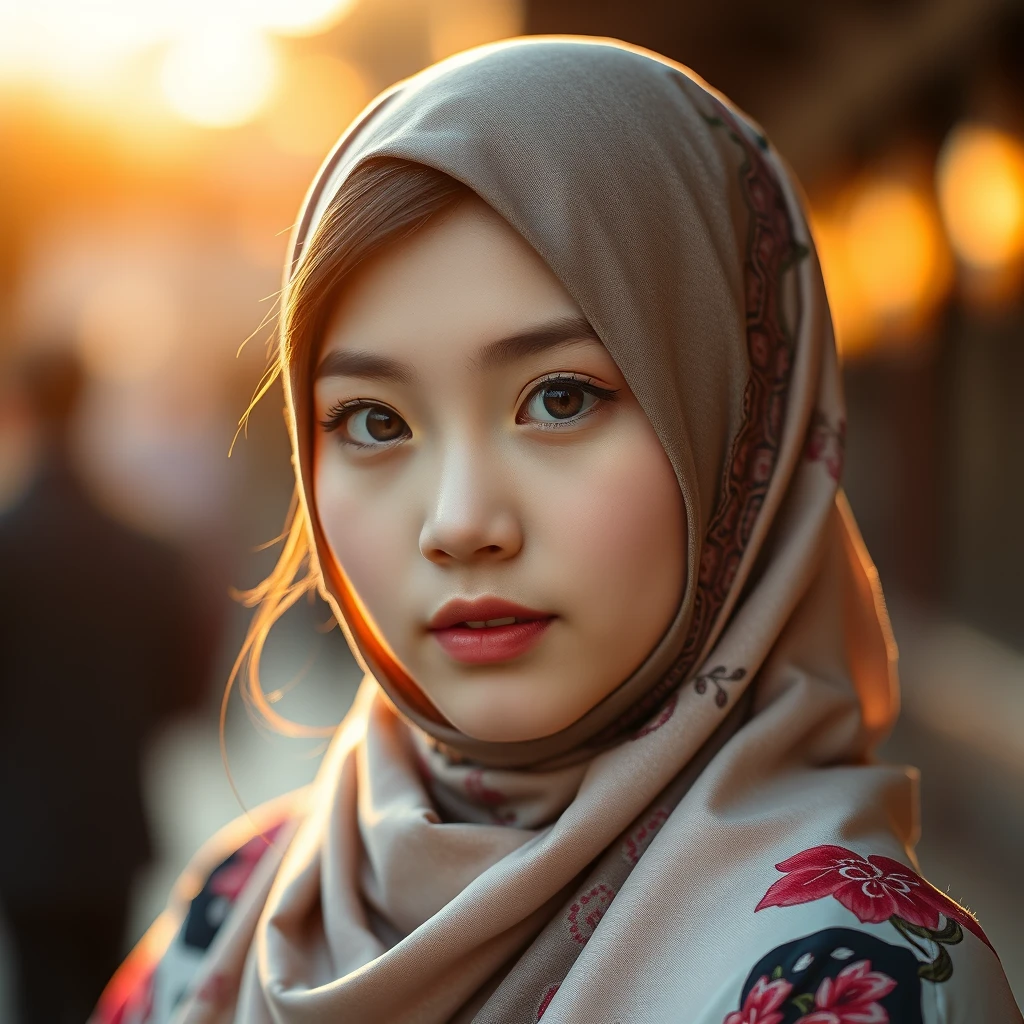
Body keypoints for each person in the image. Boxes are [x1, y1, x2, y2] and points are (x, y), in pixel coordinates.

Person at [92, 37, 1022, 1024]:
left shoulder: (854, 979)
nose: (458, 524)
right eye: (373, 420)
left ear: (739, 425)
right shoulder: (238, 902)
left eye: (562, 397)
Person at [0, 348, 217, 1024]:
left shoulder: (9, 545)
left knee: (37, 996)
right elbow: (185, 691)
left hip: (21, 828)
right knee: (107, 997)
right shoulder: (147, 551)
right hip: (112, 824)